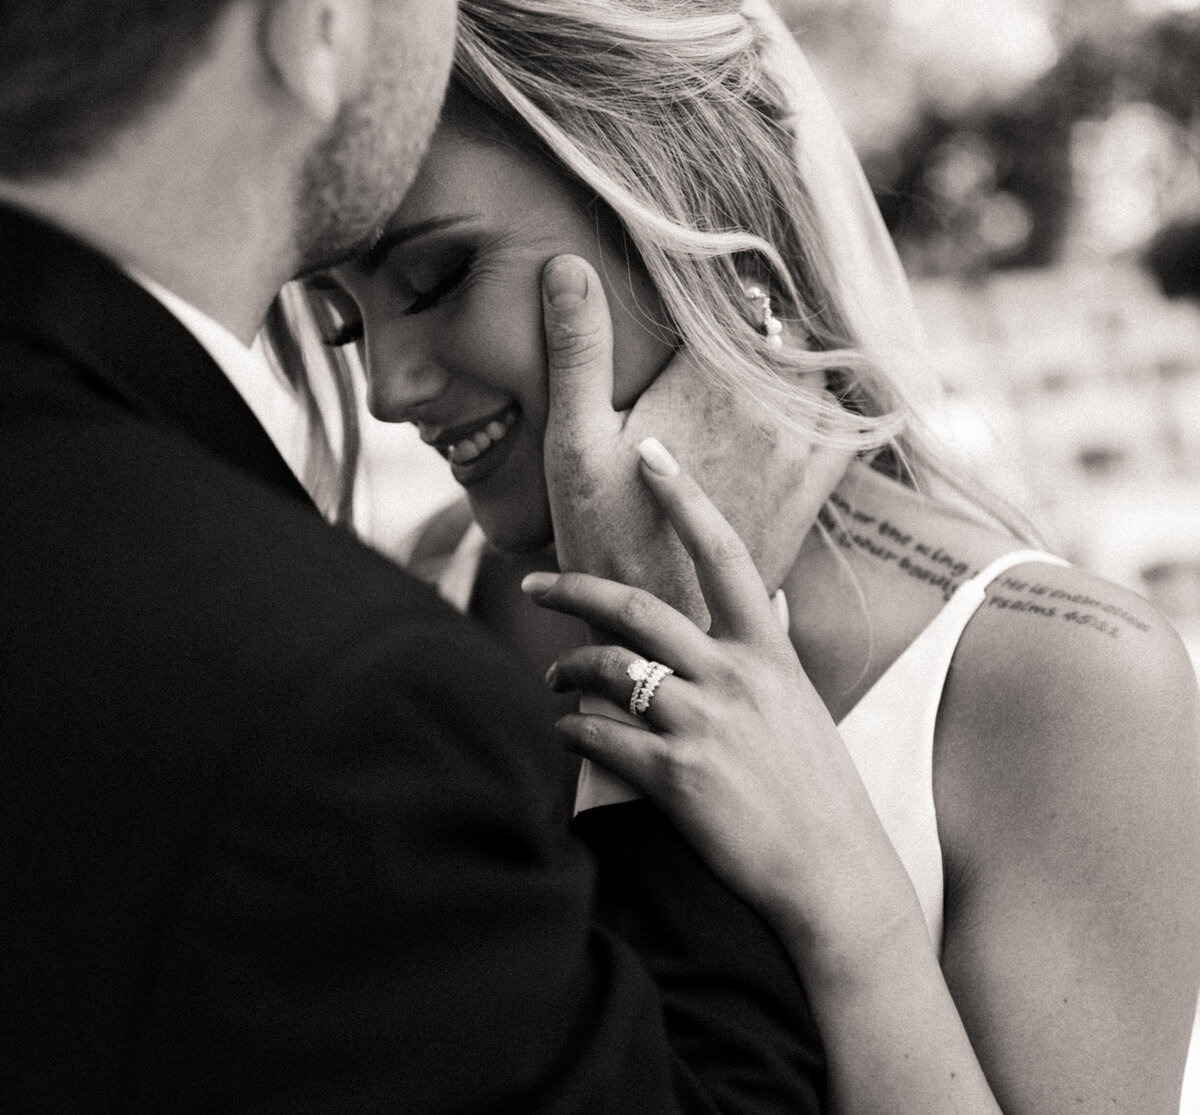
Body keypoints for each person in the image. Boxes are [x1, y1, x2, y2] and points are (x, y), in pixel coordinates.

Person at [296, 1, 1200, 1111]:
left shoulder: (1066, 681)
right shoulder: (433, 590)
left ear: (677, 200)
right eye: (345, 323)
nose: (387, 386)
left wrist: (851, 918)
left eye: (435, 278)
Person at [0, 2, 830, 1111]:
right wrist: (653, 661)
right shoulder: (337, 700)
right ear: (313, 24)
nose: (386, 389)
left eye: (436, 279)